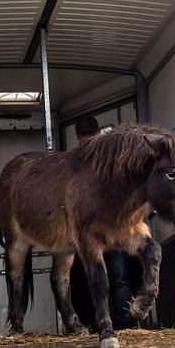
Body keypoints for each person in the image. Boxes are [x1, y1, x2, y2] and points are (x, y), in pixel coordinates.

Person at [70, 115, 141, 331]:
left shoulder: (76, 159)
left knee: (86, 279)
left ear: (78, 135)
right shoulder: (111, 156)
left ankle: (93, 324)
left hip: (90, 230)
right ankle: (125, 325)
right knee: (119, 277)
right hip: (113, 227)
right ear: (98, 132)